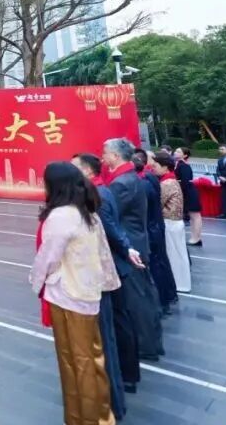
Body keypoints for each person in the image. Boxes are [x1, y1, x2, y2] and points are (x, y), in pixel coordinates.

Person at [31, 162, 119, 425]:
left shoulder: (60, 216)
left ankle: (83, 419)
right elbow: (104, 254)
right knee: (93, 359)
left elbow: (48, 258)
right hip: (88, 293)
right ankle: (100, 417)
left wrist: (36, 281)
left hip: (67, 295)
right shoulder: (87, 212)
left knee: (75, 363)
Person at [72, 152, 130, 418]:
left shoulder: (96, 197)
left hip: (99, 280)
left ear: (87, 171)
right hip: (100, 277)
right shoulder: (98, 193)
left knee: (105, 339)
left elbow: (107, 236)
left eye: (75, 167)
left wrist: (127, 249)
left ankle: (110, 402)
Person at [103, 138, 164, 366]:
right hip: (136, 241)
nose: (103, 157)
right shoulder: (132, 177)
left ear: (115, 156)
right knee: (143, 293)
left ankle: (146, 344)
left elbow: (109, 215)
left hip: (129, 246)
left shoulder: (121, 183)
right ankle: (150, 342)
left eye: (105, 153)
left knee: (137, 297)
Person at [133, 149, 176, 314]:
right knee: (161, 264)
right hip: (155, 227)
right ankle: (167, 297)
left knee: (156, 268)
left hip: (150, 230)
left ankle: (162, 303)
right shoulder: (150, 178)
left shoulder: (143, 182)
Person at [152, 152, 191, 294]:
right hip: (174, 222)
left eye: (155, 166)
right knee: (178, 254)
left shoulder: (166, 183)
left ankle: (179, 283)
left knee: (175, 255)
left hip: (170, 222)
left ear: (165, 167)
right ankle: (181, 283)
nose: (153, 168)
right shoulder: (171, 180)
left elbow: (158, 203)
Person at [173, 147, 203, 246]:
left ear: (185, 155)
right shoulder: (178, 164)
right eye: (176, 151)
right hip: (186, 191)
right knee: (192, 216)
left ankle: (197, 238)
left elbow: (185, 181)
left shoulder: (183, 165)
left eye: (178, 151)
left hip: (189, 192)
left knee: (195, 216)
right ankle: (195, 237)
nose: (175, 152)